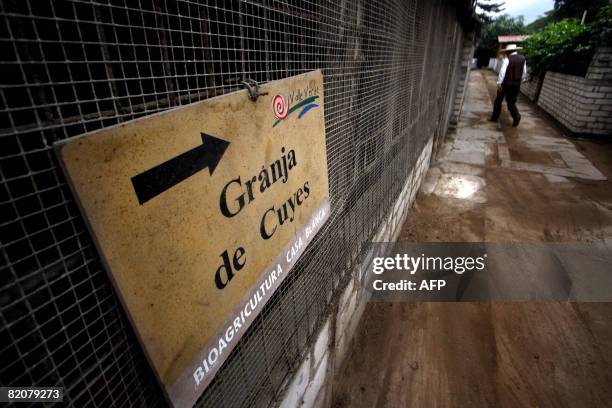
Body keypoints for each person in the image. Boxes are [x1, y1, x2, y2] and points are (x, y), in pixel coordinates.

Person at [489, 44, 528, 127]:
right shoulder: (523, 59)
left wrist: (499, 83)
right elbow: (524, 73)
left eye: (507, 52)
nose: (506, 53)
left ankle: (494, 117)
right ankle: (516, 116)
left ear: (509, 52)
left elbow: (502, 72)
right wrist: (521, 80)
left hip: (506, 84)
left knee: (498, 101)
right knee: (511, 102)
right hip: (516, 84)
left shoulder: (508, 59)